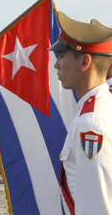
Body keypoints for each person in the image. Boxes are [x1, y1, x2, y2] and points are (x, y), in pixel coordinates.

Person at [49, 12, 112, 214]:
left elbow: (96, 207)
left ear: (85, 62)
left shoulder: (91, 122)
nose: (56, 64)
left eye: (61, 56)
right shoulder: (102, 106)